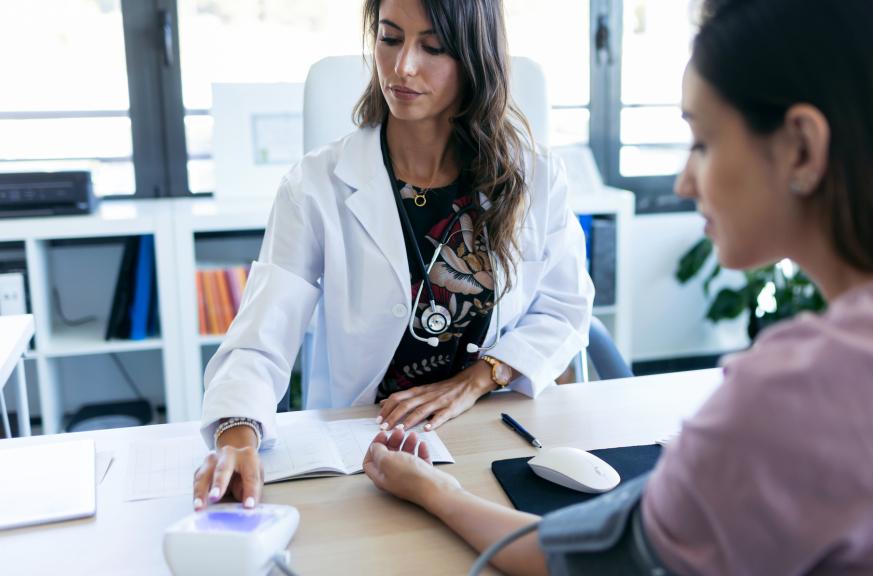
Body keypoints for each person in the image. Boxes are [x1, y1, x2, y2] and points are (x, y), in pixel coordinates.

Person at [360, 0, 873, 574]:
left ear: (800, 147)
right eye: (390, 40)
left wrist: (430, 489)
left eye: (701, 141)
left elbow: (595, 561)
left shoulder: (818, 387)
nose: (684, 181)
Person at [192, 0, 593, 510]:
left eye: (433, 47)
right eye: (389, 38)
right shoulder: (315, 186)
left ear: (474, 59)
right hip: (366, 446)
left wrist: (480, 377)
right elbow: (260, 336)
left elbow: (565, 308)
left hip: (490, 432)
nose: (403, 66)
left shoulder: (534, 177)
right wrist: (236, 436)